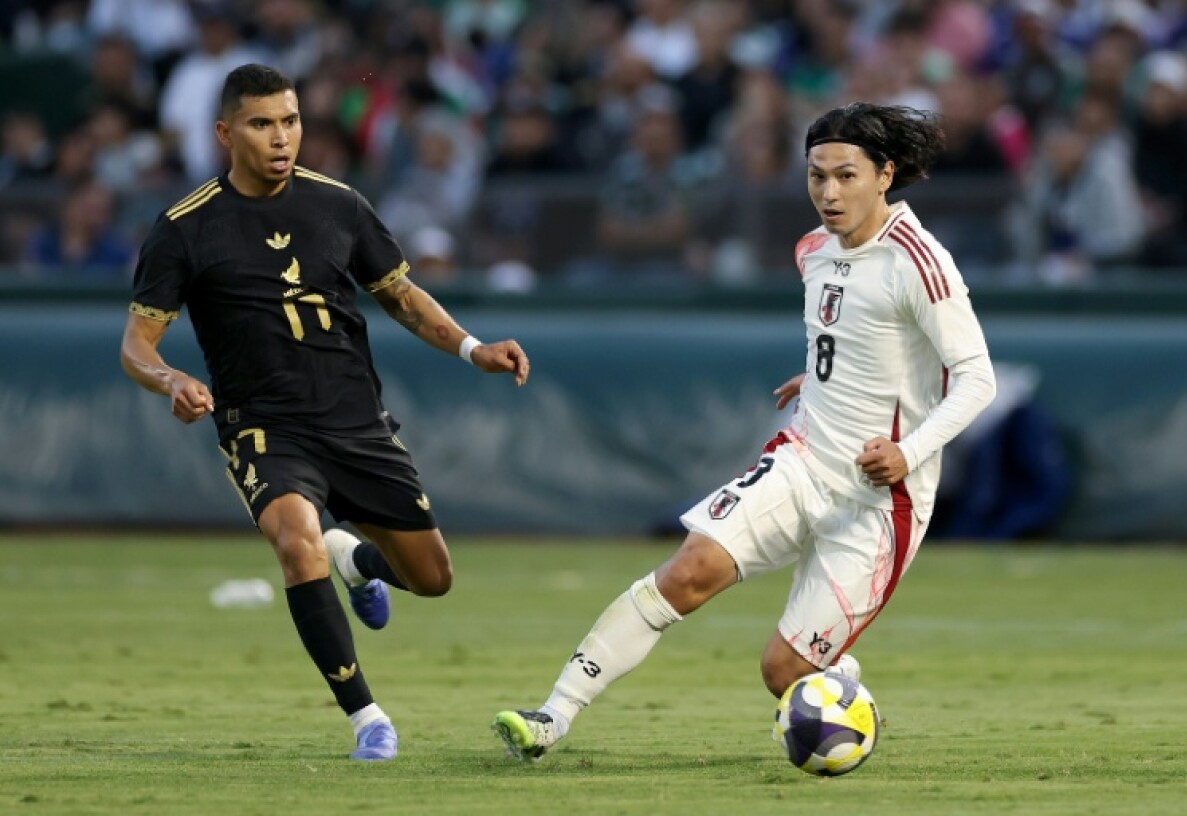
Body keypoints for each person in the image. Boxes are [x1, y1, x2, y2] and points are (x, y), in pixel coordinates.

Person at [493, 102, 996, 762]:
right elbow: (857, 340)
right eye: (816, 176)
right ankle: (551, 717)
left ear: (885, 175)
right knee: (689, 568)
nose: (828, 192)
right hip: (805, 456)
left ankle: (841, 686)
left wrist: (908, 451)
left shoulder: (917, 260)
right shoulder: (813, 250)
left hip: (879, 500)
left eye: (846, 176)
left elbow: (977, 378)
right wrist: (816, 379)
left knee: (782, 674)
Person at [119, 64, 530, 762]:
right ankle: (367, 718)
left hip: (355, 420)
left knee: (433, 579)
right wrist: (170, 381)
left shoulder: (337, 204)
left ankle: (358, 559)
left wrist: (471, 348)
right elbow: (136, 342)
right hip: (263, 425)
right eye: (262, 124)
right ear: (225, 132)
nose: (281, 138)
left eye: (291, 121)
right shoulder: (184, 229)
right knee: (292, 540)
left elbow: (399, 294)